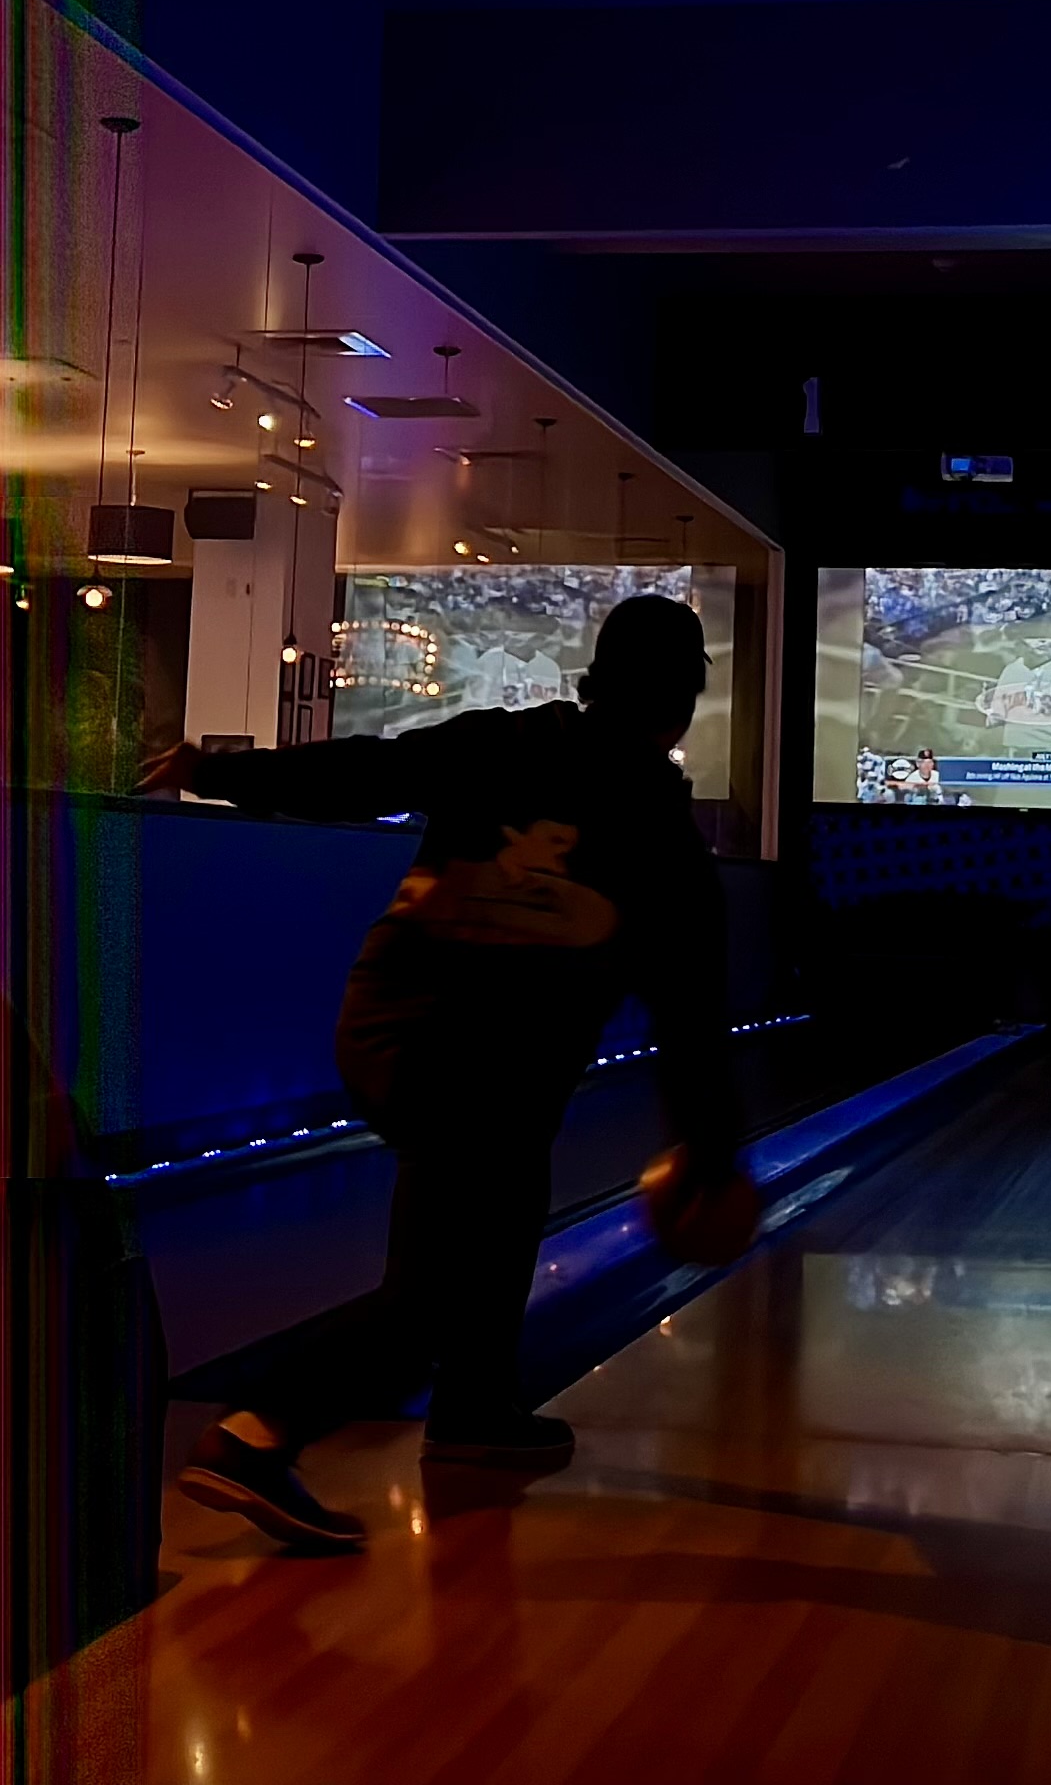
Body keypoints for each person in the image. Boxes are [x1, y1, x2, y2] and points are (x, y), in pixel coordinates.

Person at [140, 593, 748, 1552]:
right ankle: (256, 1436)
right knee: (442, 1280)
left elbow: (363, 772)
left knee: (503, 1206)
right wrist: (710, 1151)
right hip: (481, 1062)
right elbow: (690, 1010)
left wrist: (215, 770)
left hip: (393, 1022)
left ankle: (475, 1410)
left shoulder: (504, 742)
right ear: (682, 705)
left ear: (595, 678)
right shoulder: (660, 832)